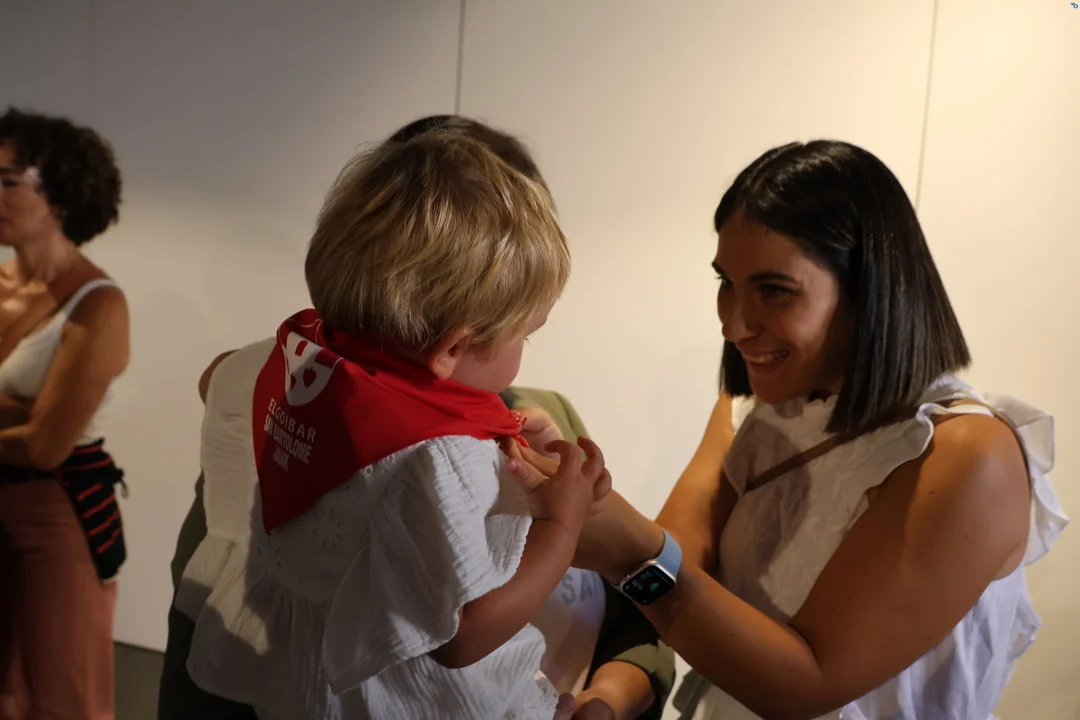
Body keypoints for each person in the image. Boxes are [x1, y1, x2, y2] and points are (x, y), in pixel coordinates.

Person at [510, 140, 1066, 719]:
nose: (733, 324)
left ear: (870, 289)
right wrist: (606, 690)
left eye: (774, 290)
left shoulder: (966, 453)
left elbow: (808, 685)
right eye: (727, 282)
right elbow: (676, 569)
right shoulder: (750, 410)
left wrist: (627, 552)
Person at [165, 118, 665, 720]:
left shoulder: (288, 371)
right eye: (525, 334)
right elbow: (461, 635)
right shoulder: (440, 456)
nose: (526, 350)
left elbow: (215, 378)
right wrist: (561, 524)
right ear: (452, 348)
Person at [0, 108, 129, 720]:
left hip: (54, 512)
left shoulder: (99, 304)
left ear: (61, 194)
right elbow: (28, 428)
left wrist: (30, 422)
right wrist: (20, 412)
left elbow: (45, 445)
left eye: (8, 181)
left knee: (63, 697)